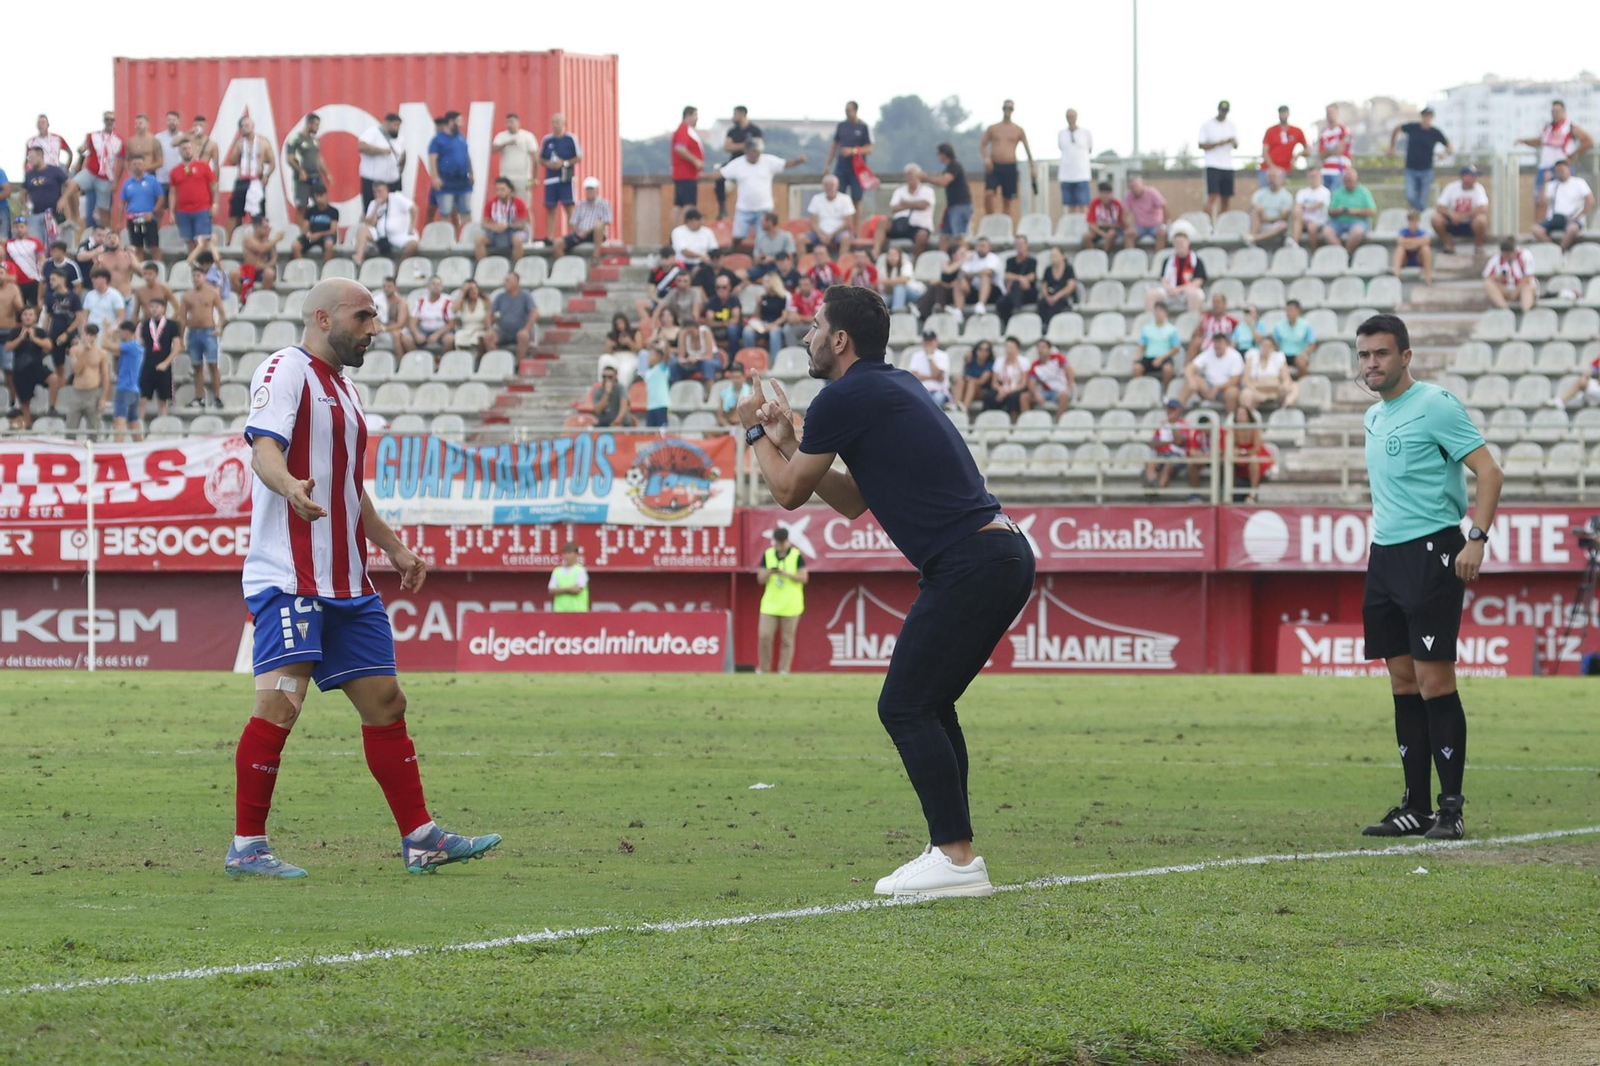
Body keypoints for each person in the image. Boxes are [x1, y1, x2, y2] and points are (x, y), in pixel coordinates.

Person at [736, 284, 1035, 898]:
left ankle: (955, 857)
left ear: (839, 339)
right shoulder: (890, 385)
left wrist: (755, 436)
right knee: (931, 703)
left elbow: (790, 492)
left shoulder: (843, 396)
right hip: (1000, 551)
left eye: (816, 325)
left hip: (971, 560)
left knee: (903, 705)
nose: (807, 335)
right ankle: (951, 852)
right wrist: (790, 438)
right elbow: (851, 500)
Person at [232, 277, 501, 878]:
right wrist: (289, 487)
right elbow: (263, 450)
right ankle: (247, 846)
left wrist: (397, 550)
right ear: (324, 319)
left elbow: (351, 491)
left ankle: (422, 838)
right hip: (292, 578)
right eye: (364, 317)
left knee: (387, 702)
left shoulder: (347, 392)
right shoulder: (286, 369)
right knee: (280, 706)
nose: (375, 329)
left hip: (349, 583)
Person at [1355, 312, 1502, 843]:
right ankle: (1414, 806)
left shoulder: (1435, 405)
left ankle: (1451, 808)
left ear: (1405, 356)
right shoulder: (1374, 416)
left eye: (1381, 354)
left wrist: (1476, 538)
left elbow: (1489, 471)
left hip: (1433, 552)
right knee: (1400, 681)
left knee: (1434, 680)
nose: (1372, 364)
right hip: (1385, 556)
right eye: (1365, 355)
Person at [719, 137, 804, 251]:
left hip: (763, 208)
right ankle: (733, 254)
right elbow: (721, 173)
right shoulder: (738, 163)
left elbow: (785, 164)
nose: (756, 155)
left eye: (758, 152)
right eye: (753, 152)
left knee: (762, 237)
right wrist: (700, 177)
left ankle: (759, 256)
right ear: (747, 152)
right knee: (738, 235)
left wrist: (798, 161)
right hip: (744, 208)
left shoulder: (768, 161)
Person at [1516, 100, 1593, 223]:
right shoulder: (1547, 127)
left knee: (1566, 197)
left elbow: (1588, 141)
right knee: (1540, 199)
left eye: (1558, 111)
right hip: (1545, 166)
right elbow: (1540, 142)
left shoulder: (1571, 127)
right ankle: (1541, 226)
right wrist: (1524, 141)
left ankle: (1568, 224)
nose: (1555, 114)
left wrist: (1573, 155)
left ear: (1564, 112)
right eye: (1553, 111)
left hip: (1563, 167)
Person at [755, 527, 807, 674]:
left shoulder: (796, 556)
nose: (780, 546)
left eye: (782, 543)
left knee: (787, 640)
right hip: (770, 605)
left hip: (791, 605)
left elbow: (804, 578)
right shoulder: (768, 554)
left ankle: (784, 669)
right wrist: (770, 572)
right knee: (764, 637)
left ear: (787, 541)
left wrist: (786, 573)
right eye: (777, 543)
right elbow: (760, 579)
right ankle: (763, 669)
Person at [979, 99, 1035, 222]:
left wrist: (1033, 168)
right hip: (994, 166)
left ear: (1013, 110)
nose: (1008, 110)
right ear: (1002, 109)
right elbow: (982, 145)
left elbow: (1027, 150)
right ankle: (991, 220)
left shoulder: (1018, 130)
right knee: (988, 194)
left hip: (1009, 166)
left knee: (1007, 200)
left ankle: (1005, 225)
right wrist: (987, 159)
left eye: (1010, 108)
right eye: (1006, 108)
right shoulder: (993, 128)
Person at [1388, 107, 1450, 213]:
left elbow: (1449, 146)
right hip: (1411, 169)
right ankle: (1418, 214)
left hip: (1426, 170)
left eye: (1429, 116)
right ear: (1422, 117)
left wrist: (1444, 154)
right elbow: (1396, 129)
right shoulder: (1413, 127)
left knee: (1423, 199)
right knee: (1410, 195)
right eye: (1425, 115)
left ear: (1432, 117)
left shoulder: (1435, 132)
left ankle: (1417, 218)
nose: (1426, 118)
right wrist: (1392, 147)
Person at [223, 116, 275, 239]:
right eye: (243, 126)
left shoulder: (263, 142)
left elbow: (272, 162)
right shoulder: (239, 144)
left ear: (253, 126)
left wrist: (267, 176)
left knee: (258, 214)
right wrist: (237, 151)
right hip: (242, 180)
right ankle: (232, 240)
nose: (245, 128)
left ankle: (261, 240)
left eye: (247, 125)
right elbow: (231, 161)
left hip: (256, 180)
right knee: (235, 212)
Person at [2, 307, 56, 425]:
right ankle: (27, 425)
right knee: (25, 404)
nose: (28, 317)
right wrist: (20, 338)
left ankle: (52, 407)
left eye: (30, 315)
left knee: (53, 379)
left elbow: (49, 346)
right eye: (25, 314)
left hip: (37, 368)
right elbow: (7, 348)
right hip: (21, 370)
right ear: (21, 317)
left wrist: (34, 338)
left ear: (35, 317)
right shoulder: (15, 332)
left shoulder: (40, 332)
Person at [73, 113, 124, 229]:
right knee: (89, 212)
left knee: (104, 210)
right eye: (107, 119)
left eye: (112, 119)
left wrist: (116, 181)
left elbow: (121, 163)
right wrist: (81, 150)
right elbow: (83, 150)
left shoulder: (117, 141)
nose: (109, 122)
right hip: (91, 180)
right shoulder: (93, 139)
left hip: (106, 179)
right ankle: (87, 230)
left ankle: (105, 233)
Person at [59, 325, 111, 435]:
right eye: (86, 334)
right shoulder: (74, 350)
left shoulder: (101, 353)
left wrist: (104, 398)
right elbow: (76, 370)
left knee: (94, 430)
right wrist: (85, 352)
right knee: (71, 429)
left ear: (95, 337)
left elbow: (105, 376)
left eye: (91, 335)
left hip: (93, 392)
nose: (88, 337)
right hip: (77, 392)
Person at [1533, 158, 1595, 252]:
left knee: (1572, 229)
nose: (1560, 173)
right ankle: (1554, 249)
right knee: (1536, 229)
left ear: (1568, 169)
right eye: (1558, 171)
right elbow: (1542, 202)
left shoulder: (1578, 183)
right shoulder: (1552, 185)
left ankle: (1561, 250)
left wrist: (1578, 216)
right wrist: (1545, 182)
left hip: (1572, 219)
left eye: (1562, 170)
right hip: (1556, 218)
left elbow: (1590, 200)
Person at [353, 182, 420, 266]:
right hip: (381, 234)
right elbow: (371, 223)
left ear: (386, 190)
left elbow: (414, 209)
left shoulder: (396, 197)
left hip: (400, 234)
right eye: (375, 192)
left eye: (379, 191)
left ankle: (399, 268)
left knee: (412, 245)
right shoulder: (373, 203)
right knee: (362, 230)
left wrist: (412, 227)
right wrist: (376, 207)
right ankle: (359, 257)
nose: (377, 194)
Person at [428, 112, 474, 233]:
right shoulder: (438, 140)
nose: (461, 124)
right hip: (446, 182)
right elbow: (433, 159)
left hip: (463, 181)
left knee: (466, 212)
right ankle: (446, 240)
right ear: (451, 122)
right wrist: (435, 177)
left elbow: (467, 155)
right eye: (459, 121)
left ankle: (466, 239)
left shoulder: (460, 137)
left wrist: (471, 172)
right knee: (446, 212)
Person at [538, 113, 583, 238]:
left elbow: (579, 157)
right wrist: (548, 163)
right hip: (551, 178)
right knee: (550, 208)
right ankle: (549, 237)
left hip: (566, 177)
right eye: (553, 122)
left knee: (569, 206)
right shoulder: (547, 140)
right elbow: (540, 158)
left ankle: (573, 235)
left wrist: (564, 163)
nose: (555, 125)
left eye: (558, 122)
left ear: (564, 124)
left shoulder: (570, 138)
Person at [168, 139, 217, 251]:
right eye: (184, 149)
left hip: (202, 210)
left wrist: (215, 205)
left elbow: (213, 187)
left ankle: (204, 266)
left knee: (202, 241)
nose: (187, 151)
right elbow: (173, 193)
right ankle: (193, 265)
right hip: (183, 212)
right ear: (180, 151)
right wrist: (171, 212)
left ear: (194, 150)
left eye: (189, 148)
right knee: (189, 242)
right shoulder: (174, 171)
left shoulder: (204, 167)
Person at [876, 165, 935, 258]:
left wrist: (905, 203)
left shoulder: (927, 191)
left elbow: (924, 205)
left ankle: (916, 260)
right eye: (908, 175)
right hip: (900, 223)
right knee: (883, 222)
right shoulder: (899, 191)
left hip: (919, 225)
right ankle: (876, 252)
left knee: (922, 236)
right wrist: (915, 204)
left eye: (912, 175)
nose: (910, 177)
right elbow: (894, 208)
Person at [137, 296, 181, 421]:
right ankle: (139, 426)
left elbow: (177, 346)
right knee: (142, 399)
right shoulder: (144, 325)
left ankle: (162, 426)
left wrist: (166, 363)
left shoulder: (172, 325)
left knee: (163, 400)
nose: (154, 309)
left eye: (157, 307)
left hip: (164, 366)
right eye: (151, 307)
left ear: (164, 309)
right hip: (147, 365)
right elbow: (140, 345)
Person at [716, 106, 762, 220]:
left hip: (750, 162)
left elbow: (757, 147)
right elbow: (727, 147)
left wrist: (738, 146)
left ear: (742, 114)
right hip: (735, 162)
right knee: (719, 174)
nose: (733, 117)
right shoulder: (732, 131)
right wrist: (746, 145)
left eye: (735, 114)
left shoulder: (755, 130)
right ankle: (722, 208)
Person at [1182, 331, 1244, 416]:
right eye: (1215, 342)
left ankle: (1230, 420)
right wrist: (1191, 380)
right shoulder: (1208, 353)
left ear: (1226, 343)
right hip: (1209, 388)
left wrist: (1218, 387)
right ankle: (1177, 412)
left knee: (1232, 393)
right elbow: (1189, 368)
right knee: (1192, 380)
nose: (1217, 345)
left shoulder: (1235, 356)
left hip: (1226, 389)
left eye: (1220, 342)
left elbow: (1235, 380)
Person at [1431, 165, 1488, 257]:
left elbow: (1483, 208)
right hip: (1453, 223)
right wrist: (1451, 214)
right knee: (1436, 219)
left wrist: (1463, 216)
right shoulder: (1451, 187)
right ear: (1464, 177)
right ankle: (1448, 244)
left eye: (1475, 176)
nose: (1475, 178)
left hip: (1470, 224)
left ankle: (1478, 246)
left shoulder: (1479, 188)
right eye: (1472, 176)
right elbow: (1440, 207)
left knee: (1482, 220)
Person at [1145, 231, 1206, 315]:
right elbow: (1163, 280)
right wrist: (1169, 288)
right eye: (1177, 243)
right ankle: (1150, 324)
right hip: (1171, 290)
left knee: (1195, 295)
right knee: (1151, 295)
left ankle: (1192, 322)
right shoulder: (1168, 261)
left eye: (1181, 242)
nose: (1179, 245)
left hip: (1187, 290)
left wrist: (1180, 289)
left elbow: (1198, 282)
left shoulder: (1196, 261)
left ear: (1188, 243)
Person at [286, 113, 332, 222]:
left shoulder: (315, 140)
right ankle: (301, 234)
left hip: (316, 176)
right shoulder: (295, 138)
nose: (317, 128)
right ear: (309, 124)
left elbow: (319, 159)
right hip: (302, 178)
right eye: (316, 125)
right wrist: (300, 171)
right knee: (302, 207)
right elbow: (290, 159)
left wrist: (327, 174)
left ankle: (320, 229)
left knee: (322, 203)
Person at [1144, 398, 1198, 491]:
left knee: (1168, 466)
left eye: (1173, 409)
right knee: (1149, 463)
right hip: (1161, 455)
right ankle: (1152, 487)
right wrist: (1169, 442)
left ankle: (1159, 490)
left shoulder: (1184, 425)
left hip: (1177, 456)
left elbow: (1179, 441)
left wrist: (1172, 426)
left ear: (1179, 411)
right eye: (1169, 409)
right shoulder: (1162, 426)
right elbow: (1153, 443)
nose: (1170, 411)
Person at [825, 101, 873, 204]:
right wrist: (828, 164)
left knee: (857, 198)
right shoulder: (841, 126)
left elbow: (869, 148)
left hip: (857, 168)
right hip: (842, 167)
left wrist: (853, 151)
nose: (847, 113)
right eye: (846, 110)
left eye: (849, 110)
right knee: (838, 195)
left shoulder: (863, 127)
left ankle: (856, 220)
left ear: (855, 111)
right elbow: (834, 145)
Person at [492, 113, 539, 219]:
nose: (509, 124)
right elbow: (493, 149)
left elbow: (534, 158)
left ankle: (528, 233)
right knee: (506, 206)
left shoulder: (527, 136)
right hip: (506, 177)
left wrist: (535, 178)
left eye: (512, 122)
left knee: (525, 207)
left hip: (523, 178)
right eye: (507, 122)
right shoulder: (501, 136)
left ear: (518, 123)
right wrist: (506, 143)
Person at [927, 143, 973, 249]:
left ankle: (966, 257)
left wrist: (926, 178)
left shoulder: (954, 166)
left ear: (944, 154)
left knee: (959, 236)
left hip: (960, 205)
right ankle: (943, 259)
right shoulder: (949, 167)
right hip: (952, 206)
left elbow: (944, 181)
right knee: (944, 236)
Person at [357, 113, 405, 212]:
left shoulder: (400, 138)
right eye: (395, 125)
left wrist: (399, 171)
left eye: (399, 126)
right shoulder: (372, 132)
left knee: (392, 211)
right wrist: (382, 151)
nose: (398, 128)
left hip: (392, 182)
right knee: (372, 210)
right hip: (373, 181)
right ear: (386, 123)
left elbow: (403, 154)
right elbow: (361, 147)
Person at [1198, 100, 1239, 217]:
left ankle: (1223, 226)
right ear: (1218, 110)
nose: (1224, 113)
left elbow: (1236, 145)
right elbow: (1201, 145)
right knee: (1212, 196)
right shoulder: (1207, 125)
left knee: (1226, 198)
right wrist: (1219, 143)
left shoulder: (1231, 125)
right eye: (1222, 110)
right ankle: (1207, 224)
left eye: (1226, 111)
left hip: (1227, 165)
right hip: (1212, 164)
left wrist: (1232, 142)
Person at [476, 177, 531, 262]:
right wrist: (494, 227)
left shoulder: (519, 203)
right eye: (497, 190)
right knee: (479, 240)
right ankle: (482, 266)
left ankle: (516, 267)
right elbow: (484, 223)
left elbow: (522, 224)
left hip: (513, 231)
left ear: (510, 190)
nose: (499, 192)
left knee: (517, 240)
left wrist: (508, 226)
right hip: (495, 231)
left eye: (502, 190)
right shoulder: (491, 203)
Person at [21, 148, 68, 245]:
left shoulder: (54, 170)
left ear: (40, 156)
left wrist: (63, 199)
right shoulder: (30, 174)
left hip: (53, 213)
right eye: (29, 157)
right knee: (37, 243)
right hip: (36, 213)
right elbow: (23, 192)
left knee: (55, 243)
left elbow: (71, 185)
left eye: (32, 157)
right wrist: (25, 203)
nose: (30, 160)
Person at [1239, 335, 1298, 411]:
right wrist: (1256, 392)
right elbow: (1245, 380)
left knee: (1294, 386)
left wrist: (1284, 386)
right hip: (1256, 390)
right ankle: (1249, 417)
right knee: (1246, 394)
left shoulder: (1279, 357)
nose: (1265, 348)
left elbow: (1286, 378)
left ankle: (1287, 406)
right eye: (1263, 345)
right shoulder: (1252, 355)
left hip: (1276, 391)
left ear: (1273, 347)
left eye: (1268, 346)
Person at [670, 106, 705, 228]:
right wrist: (696, 161)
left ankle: (674, 234)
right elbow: (680, 148)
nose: (697, 119)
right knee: (688, 205)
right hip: (686, 174)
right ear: (689, 115)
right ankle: (680, 233)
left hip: (683, 174)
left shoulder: (684, 130)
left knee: (678, 206)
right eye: (695, 116)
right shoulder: (684, 130)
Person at [1481, 237, 1537, 313]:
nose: (1507, 256)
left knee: (1527, 288)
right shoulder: (1496, 259)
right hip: (1506, 289)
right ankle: (1505, 310)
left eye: (1509, 253)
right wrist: (1497, 277)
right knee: (1487, 284)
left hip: (1521, 288)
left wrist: (1515, 292)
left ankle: (1526, 312)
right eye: (1505, 253)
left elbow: (1527, 278)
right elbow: (1487, 277)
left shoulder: (1525, 255)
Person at [1328, 167, 1377, 252]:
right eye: (1346, 181)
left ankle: (1347, 254)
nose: (1348, 183)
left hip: (1358, 221)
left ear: (1356, 180)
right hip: (1339, 222)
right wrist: (1338, 211)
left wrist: (1357, 211)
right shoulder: (1338, 192)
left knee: (1357, 232)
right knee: (1326, 231)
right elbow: (1330, 211)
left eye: (1350, 180)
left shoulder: (1364, 192)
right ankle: (1341, 253)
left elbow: (1373, 211)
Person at [492, 271, 538, 359]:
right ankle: (496, 361)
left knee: (523, 336)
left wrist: (526, 329)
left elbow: (535, 312)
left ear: (516, 282)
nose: (504, 283)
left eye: (507, 281)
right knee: (489, 337)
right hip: (504, 331)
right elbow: (490, 312)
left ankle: (518, 365)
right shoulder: (500, 296)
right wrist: (490, 328)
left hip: (520, 330)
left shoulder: (525, 295)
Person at [994, 235, 1038, 327]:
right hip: (1014, 291)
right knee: (1001, 302)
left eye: (1021, 244)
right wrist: (1021, 278)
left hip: (1028, 292)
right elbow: (1007, 275)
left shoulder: (1032, 261)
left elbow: (1032, 276)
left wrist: (1018, 280)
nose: (1019, 246)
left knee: (1017, 285)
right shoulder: (1010, 261)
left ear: (1026, 245)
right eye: (1017, 244)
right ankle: (1007, 323)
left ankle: (1017, 309)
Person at [565, 177, 614, 259]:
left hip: (595, 234)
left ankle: (596, 255)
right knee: (558, 243)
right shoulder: (580, 205)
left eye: (591, 189)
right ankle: (563, 265)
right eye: (588, 189)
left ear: (597, 190)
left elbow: (606, 221)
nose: (589, 192)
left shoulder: (604, 204)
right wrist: (578, 233)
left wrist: (588, 231)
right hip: (580, 234)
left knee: (598, 225)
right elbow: (573, 221)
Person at [806, 175, 857, 253]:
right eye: (827, 185)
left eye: (832, 185)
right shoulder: (816, 199)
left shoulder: (845, 199)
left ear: (837, 186)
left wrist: (831, 235)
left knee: (846, 238)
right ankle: (803, 263)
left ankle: (841, 263)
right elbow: (813, 222)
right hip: (820, 232)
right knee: (800, 239)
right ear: (823, 187)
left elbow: (848, 223)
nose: (829, 187)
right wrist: (821, 235)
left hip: (839, 232)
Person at [1136, 301, 1182, 386]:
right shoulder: (1146, 328)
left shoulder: (1172, 329)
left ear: (1166, 313)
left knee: (1167, 369)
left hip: (1164, 357)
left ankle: (1166, 392)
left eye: (1160, 311)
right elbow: (1142, 345)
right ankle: (1137, 389)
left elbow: (1176, 348)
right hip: (1149, 357)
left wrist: (1161, 358)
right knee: (1137, 368)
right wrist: (1137, 356)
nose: (1157, 313)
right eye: (1156, 311)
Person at [1259, 106, 1307, 188]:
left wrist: (1298, 154)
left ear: (1288, 114)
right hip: (1267, 169)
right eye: (1281, 112)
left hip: (1283, 170)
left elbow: (1308, 148)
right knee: (1265, 195)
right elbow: (1264, 151)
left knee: (1279, 194)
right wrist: (1273, 168)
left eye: (1284, 112)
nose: (1283, 115)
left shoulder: (1297, 131)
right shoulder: (1271, 130)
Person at [746, 273, 794, 353]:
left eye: (767, 282)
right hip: (763, 323)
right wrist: (758, 303)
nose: (764, 284)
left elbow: (784, 317)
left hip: (777, 324)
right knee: (747, 331)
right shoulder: (763, 296)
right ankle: (750, 355)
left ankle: (775, 360)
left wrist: (772, 325)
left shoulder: (784, 296)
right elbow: (757, 315)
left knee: (774, 332)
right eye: (764, 282)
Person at [986, 337, 1032, 420]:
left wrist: (1007, 391)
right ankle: (992, 419)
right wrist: (1001, 390)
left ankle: (1014, 421)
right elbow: (994, 383)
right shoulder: (999, 361)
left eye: (1011, 347)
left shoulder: (1024, 361)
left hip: (1016, 387)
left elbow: (1023, 384)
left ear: (1017, 348)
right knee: (989, 396)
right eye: (1007, 347)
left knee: (1013, 397)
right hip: (1002, 387)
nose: (1009, 350)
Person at [111, 320, 143, 440]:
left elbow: (105, 345)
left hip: (125, 388)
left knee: (119, 420)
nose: (119, 335)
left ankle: (117, 451)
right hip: (134, 389)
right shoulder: (137, 347)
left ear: (126, 332)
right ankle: (140, 449)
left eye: (120, 332)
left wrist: (107, 332)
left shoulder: (130, 346)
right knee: (133, 422)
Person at [1057, 109, 1092, 214]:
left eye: (1072, 116)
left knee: (1083, 205)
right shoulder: (1061, 134)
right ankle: (1072, 229)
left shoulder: (1085, 133)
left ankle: (1084, 229)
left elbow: (1090, 148)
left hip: (1082, 175)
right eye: (1068, 116)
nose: (1070, 119)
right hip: (1066, 175)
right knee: (1070, 206)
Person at [232, 221, 278, 301]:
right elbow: (260, 248)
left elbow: (274, 258)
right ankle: (242, 298)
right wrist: (277, 239)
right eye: (265, 227)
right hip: (248, 269)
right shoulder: (248, 239)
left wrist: (266, 265)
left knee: (269, 274)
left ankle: (262, 299)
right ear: (257, 228)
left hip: (262, 270)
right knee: (234, 274)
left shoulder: (269, 242)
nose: (267, 230)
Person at [1292, 167, 1336, 250]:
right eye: (1311, 176)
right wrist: (1301, 210)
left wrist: (1304, 207)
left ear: (1320, 176)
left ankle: (1314, 251)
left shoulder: (1325, 191)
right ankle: (1295, 245)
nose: (1313, 178)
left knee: (1312, 227)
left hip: (1320, 221)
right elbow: (1297, 206)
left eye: (1315, 176)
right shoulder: (1302, 192)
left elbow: (1319, 204)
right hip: (1304, 221)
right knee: (1297, 214)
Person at [958, 237, 1003, 316]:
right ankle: (958, 311)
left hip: (993, 292)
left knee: (985, 277)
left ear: (989, 248)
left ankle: (981, 304)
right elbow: (963, 272)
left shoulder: (993, 258)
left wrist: (972, 275)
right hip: (975, 290)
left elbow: (988, 271)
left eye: (983, 246)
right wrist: (963, 279)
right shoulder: (972, 257)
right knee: (959, 281)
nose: (980, 248)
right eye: (978, 246)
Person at [6, 217, 47, 306]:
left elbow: (42, 259)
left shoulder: (35, 242)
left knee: (36, 306)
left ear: (26, 228)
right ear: (13, 229)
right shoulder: (8, 244)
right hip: (16, 282)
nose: (19, 229)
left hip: (33, 280)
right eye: (17, 227)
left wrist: (41, 276)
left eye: (22, 227)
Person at [1028, 339, 1073, 417]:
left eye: (1043, 347)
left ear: (1049, 349)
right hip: (1046, 392)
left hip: (1061, 390)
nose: (1040, 350)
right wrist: (1036, 394)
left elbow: (1070, 372)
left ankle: (1057, 423)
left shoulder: (1058, 358)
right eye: (1039, 348)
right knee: (1024, 397)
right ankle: (1026, 421)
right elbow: (1031, 383)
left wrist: (1069, 387)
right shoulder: (1035, 365)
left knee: (1064, 396)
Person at [1271, 299, 1317, 376]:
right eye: (1287, 310)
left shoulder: (1306, 325)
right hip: (1283, 355)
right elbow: (1274, 343)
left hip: (1299, 355)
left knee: (1301, 363)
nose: (1288, 312)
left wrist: (1304, 353)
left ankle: (1301, 383)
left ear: (1298, 311)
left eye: (1291, 310)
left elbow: (1312, 344)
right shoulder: (1279, 326)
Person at [1122, 173, 1168, 250]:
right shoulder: (1128, 195)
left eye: (1136, 186)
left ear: (1142, 184)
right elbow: (1125, 214)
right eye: (1132, 187)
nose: (1135, 189)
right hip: (1140, 226)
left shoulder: (1152, 192)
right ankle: (1132, 259)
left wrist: (1163, 225)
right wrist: (1129, 226)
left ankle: (1157, 259)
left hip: (1155, 225)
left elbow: (1165, 206)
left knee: (1162, 234)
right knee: (1129, 234)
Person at [907, 330, 952, 408]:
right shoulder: (916, 356)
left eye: (930, 341)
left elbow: (939, 377)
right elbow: (914, 377)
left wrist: (930, 357)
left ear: (936, 342)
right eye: (926, 341)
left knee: (936, 400)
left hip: (938, 391)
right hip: (921, 391)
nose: (928, 344)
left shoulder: (943, 355)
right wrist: (933, 377)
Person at [409, 276, 455, 351]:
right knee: (406, 338)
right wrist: (417, 334)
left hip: (442, 330)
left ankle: (444, 360)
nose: (436, 287)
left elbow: (452, 324)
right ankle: (417, 358)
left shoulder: (447, 301)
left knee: (449, 339)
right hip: (423, 329)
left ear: (442, 287)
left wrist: (437, 334)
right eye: (434, 284)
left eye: (438, 284)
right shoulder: (421, 301)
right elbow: (412, 323)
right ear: (428, 286)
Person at [294, 188, 339, 263]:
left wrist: (319, 234)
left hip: (326, 235)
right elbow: (305, 227)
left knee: (329, 244)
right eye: (317, 196)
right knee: (295, 246)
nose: (319, 199)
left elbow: (333, 230)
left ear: (326, 196)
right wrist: (308, 234)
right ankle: (301, 267)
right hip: (312, 235)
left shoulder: (333, 211)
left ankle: (327, 268)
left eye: (321, 196)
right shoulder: (310, 211)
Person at [1249, 168, 1293, 243]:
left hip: (1276, 225)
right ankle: (1253, 236)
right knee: (1257, 209)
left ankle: (1253, 239)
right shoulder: (1260, 193)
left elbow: (1284, 216)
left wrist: (1269, 220)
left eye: (1274, 176)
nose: (1271, 179)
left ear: (1281, 179)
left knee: (1283, 226)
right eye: (1269, 176)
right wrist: (1261, 213)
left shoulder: (1287, 196)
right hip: (1260, 223)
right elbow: (1252, 206)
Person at [1036, 246, 1077, 327]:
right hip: (1051, 294)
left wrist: (1056, 297)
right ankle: (1043, 325)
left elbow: (1070, 286)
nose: (1053, 258)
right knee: (1042, 303)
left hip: (1064, 296)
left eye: (1055, 256)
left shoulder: (1068, 269)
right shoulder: (1048, 270)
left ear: (1062, 256)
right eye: (1052, 256)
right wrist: (1047, 297)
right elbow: (1043, 285)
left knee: (1057, 304)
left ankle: (1052, 325)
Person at [373, 276, 415, 355]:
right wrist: (378, 326)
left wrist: (384, 329)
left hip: (401, 330)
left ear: (395, 288)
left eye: (389, 286)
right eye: (384, 286)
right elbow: (376, 318)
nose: (386, 289)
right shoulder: (379, 301)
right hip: (385, 329)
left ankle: (401, 362)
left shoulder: (401, 302)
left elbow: (400, 324)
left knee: (396, 335)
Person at [1393, 210, 1435, 285]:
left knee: (1426, 249)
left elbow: (1427, 241)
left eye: (1415, 222)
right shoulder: (1403, 231)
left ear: (1418, 222)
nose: (1413, 224)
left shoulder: (1422, 232)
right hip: (1406, 258)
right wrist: (1418, 242)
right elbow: (1400, 241)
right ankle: (1395, 275)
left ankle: (1428, 278)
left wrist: (1408, 243)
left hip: (1418, 258)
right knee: (1400, 249)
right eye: (1411, 222)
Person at [1317, 104, 1352, 191]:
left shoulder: (1344, 130)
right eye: (1328, 113)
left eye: (1332, 112)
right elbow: (1321, 155)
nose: (1330, 115)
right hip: (1325, 171)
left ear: (1337, 113)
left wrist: (1327, 151)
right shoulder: (1323, 133)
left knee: (1335, 199)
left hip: (1339, 171)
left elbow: (1340, 150)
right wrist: (1334, 150)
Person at [954, 339, 995, 413]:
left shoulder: (990, 364)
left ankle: (964, 408)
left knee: (971, 383)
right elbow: (965, 375)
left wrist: (969, 379)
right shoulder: (970, 360)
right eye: (980, 349)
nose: (983, 352)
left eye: (986, 350)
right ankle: (955, 405)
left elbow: (982, 381)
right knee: (960, 381)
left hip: (981, 391)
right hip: (968, 386)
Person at [548, 543, 590, 611]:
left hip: (578, 612)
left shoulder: (580, 570)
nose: (567, 556)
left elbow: (577, 590)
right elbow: (551, 590)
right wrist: (569, 589)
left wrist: (560, 589)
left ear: (576, 555)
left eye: (569, 553)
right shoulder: (557, 571)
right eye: (565, 553)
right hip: (560, 612)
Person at [452, 280, 490, 356]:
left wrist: (483, 327)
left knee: (479, 337)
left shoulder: (485, 301)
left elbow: (490, 318)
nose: (474, 291)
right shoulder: (463, 303)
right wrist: (462, 292)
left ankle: (479, 359)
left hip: (480, 328)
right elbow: (454, 310)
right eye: (471, 290)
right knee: (459, 336)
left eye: (475, 289)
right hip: (466, 329)